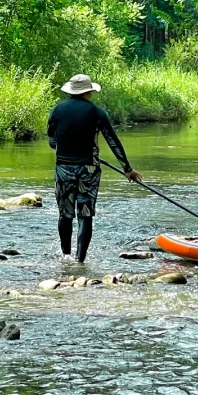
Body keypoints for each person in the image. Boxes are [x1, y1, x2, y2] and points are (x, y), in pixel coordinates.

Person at [47, 74, 141, 264]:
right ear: (88, 92)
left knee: (65, 214)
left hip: (63, 168)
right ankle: (80, 260)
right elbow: (113, 142)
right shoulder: (97, 113)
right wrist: (127, 169)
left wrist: (67, 146)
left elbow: (51, 141)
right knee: (85, 214)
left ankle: (65, 256)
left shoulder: (56, 110)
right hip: (89, 169)